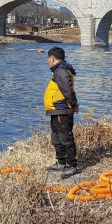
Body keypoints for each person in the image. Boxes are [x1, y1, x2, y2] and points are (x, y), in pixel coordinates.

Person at [43, 47, 80, 179]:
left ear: (52, 58)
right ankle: (61, 162)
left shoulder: (61, 71)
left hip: (62, 110)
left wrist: (74, 104)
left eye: (48, 59)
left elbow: (68, 91)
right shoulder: (58, 70)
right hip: (56, 110)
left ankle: (72, 166)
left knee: (66, 139)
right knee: (56, 138)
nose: (48, 61)